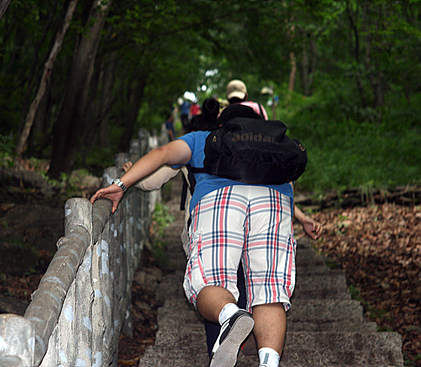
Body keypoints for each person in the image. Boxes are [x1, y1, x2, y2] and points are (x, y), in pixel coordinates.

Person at [91, 102, 322, 367]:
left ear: (223, 125)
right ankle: (269, 362)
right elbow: (288, 186)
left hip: (220, 200)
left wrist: (122, 183)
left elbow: (164, 153)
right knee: (270, 293)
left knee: (212, 282)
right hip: (275, 201)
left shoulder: (206, 139)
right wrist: (301, 218)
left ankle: (230, 313)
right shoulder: (273, 149)